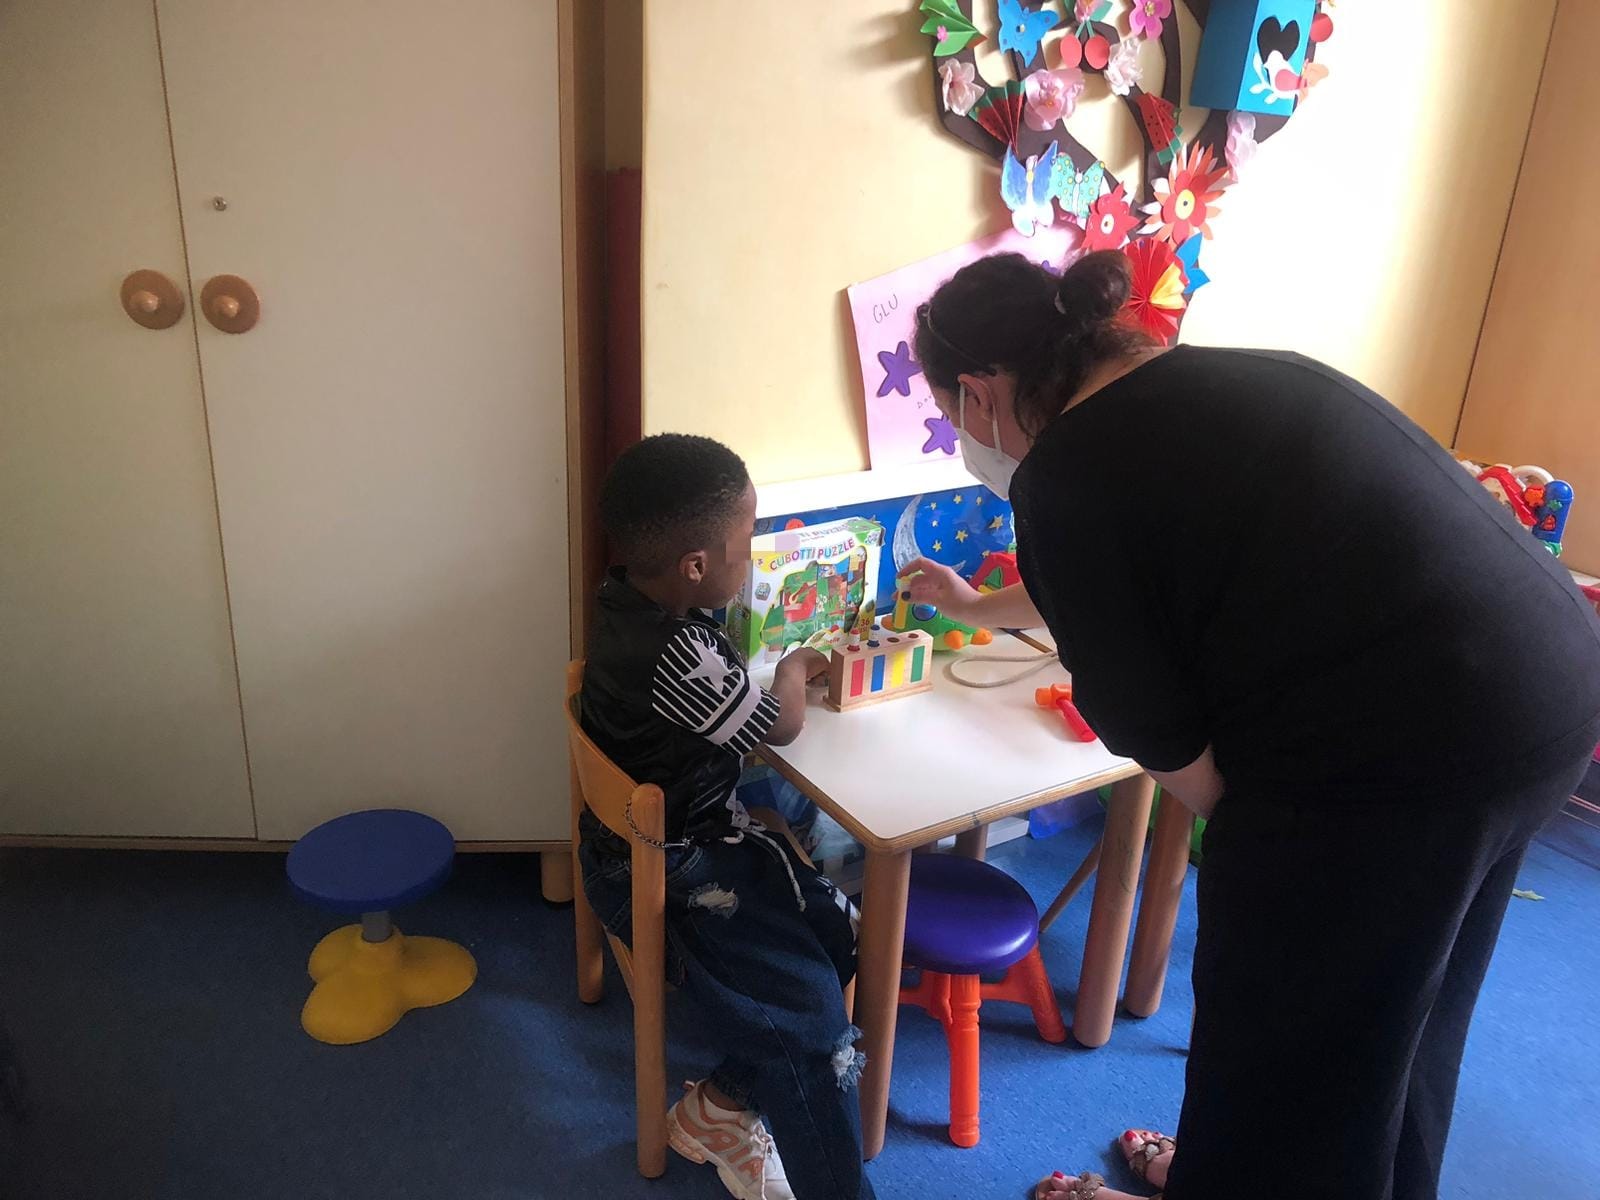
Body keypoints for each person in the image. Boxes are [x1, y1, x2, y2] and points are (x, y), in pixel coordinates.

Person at [905, 250, 1600, 1200]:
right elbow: (1117, 564)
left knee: (1283, 1049)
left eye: (954, 419)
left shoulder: (1066, 474)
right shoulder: (1215, 378)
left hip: (1413, 750)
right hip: (1544, 686)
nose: (967, 441)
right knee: (1407, 1013)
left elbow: (1175, 754)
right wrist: (973, 607)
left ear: (980, 393)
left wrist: (1273, 865)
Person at [578, 433, 875, 1200]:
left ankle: (721, 1106)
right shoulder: (681, 655)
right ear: (695, 567)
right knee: (814, 1020)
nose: (753, 555)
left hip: (641, 845)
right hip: (670, 867)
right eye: (746, 542)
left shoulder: (623, 602)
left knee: (834, 929)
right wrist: (797, 665)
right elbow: (782, 725)